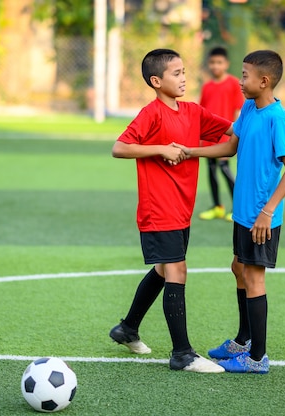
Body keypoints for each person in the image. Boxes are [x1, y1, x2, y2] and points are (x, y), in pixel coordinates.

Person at [109, 48, 233, 373]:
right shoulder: (151, 114)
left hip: (182, 208)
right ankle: (183, 354)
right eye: (176, 73)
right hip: (158, 208)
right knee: (177, 271)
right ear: (156, 80)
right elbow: (119, 147)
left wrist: (275, 121)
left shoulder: (193, 112)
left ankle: (127, 328)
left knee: (165, 271)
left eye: (183, 71)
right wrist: (159, 149)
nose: (183, 78)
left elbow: (233, 130)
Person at [176, 50, 285, 374]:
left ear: (265, 80)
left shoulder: (276, 117)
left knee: (254, 278)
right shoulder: (248, 108)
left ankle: (257, 358)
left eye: (245, 76)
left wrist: (268, 212)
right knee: (238, 268)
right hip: (243, 213)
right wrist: (191, 152)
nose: (240, 80)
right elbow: (230, 146)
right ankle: (243, 340)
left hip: (262, 217)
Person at [197, 46, 244, 222]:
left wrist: (237, 134)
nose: (215, 66)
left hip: (226, 134)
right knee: (211, 170)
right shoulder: (207, 86)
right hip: (209, 136)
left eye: (219, 62)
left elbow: (239, 110)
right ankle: (217, 206)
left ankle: (237, 207)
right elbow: (202, 112)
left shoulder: (233, 83)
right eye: (212, 62)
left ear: (226, 64)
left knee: (224, 169)